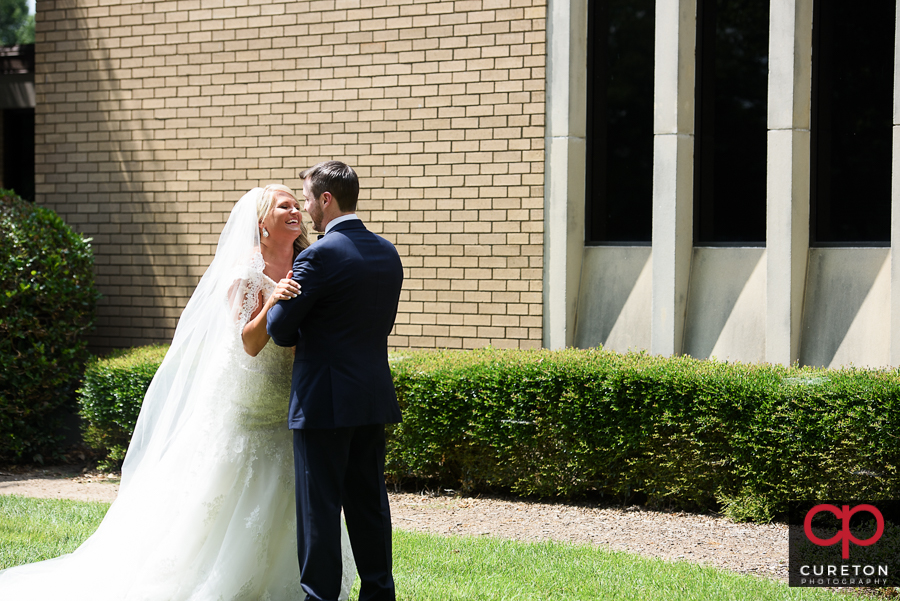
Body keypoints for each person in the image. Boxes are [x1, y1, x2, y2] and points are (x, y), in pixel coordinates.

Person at [0, 185, 356, 600]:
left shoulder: (307, 261)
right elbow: (249, 341)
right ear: (261, 223)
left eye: (297, 204)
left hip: (294, 390)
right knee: (233, 475)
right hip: (251, 390)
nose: (296, 210)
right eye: (285, 206)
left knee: (289, 480)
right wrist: (274, 300)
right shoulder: (244, 272)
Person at [267, 161, 403, 601]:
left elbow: (280, 329)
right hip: (371, 397)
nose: (305, 208)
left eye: (306, 198)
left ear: (326, 199)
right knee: (368, 504)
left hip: (322, 403)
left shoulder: (318, 255)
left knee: (320, 511)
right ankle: (380, 593)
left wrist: (285, 306)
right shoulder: (387, 252)